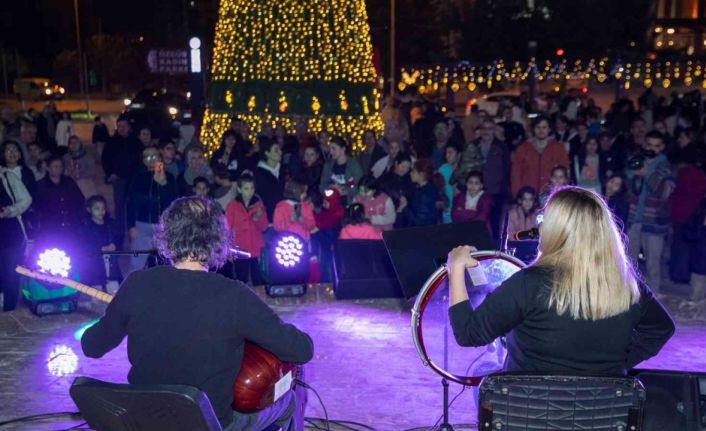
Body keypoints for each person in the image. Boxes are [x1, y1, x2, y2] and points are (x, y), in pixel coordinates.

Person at [81, 196, 314, 431]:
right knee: (290, 400)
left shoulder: (136, 284)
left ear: (167, 236)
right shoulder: (233, 295)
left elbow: (91, 346)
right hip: (208, 425)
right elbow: (302, 350)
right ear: (217, 240)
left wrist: (121, 311)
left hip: (143, 421)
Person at [446, 187, 674, 375]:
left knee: (484, 369)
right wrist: (619, 364)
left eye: (544, 218)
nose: (540, 224)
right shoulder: (626, 285)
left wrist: (455, 268)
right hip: (600, 414)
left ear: (557, 229)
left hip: (530, 412)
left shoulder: (529, 283)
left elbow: (468, 334)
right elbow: (662, 328)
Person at [626, 131, 675, 293]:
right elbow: (626, 185)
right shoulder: (638, 161)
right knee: (630, 261)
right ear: (644, 144)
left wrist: (647, 173)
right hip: (634, 219)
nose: (652, 149)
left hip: (654, 222)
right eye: (649, 145)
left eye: (656, 146)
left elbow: (665, 192)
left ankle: (654, 297)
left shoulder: (666, 167)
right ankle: (631, 295)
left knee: (653, 264)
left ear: (662, 147)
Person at [126, 146, 179, 273]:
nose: (151, 159)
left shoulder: (169, 177)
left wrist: (163, 184)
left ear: (159, 157)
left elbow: (173, 201)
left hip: (162, 226)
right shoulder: (138, 177)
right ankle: (133, 289)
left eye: (154, 156)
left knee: (165, 263)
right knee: (137, 263)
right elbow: (131, 202)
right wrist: (131, 225)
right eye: (147, 157)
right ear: (143, 160)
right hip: (142, 225)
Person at [511, 116, 570, 197]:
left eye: (544, 127)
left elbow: (566, 173)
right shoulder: (523, 149)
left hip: (551, 196)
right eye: (538, 127)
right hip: (528, 197)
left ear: (549, 129)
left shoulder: (558, 148)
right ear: (533, 129)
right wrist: (517, 195)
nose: (541, 130)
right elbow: (515, 174)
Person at [225, 174, 268, 285]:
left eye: (252, 188)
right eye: (246, 188)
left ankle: (260, 300)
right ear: (239, 189)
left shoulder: (258, 205)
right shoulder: (232, 206)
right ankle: (241, 300)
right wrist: (228, 249)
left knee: (258, 278)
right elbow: (227, 229)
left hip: (256, 248)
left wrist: (258, 218)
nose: (250, 191)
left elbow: (264, 227)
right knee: (241, 278)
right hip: (239, 249)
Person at [0, 166, 31, 311]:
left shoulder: (7, 176)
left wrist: (10, 210)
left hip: (9, 231)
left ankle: (9, 311)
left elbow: (26, 199)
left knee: (10, 273)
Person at [80, 195, 122, 289]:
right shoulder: (86, 227)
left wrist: (115, 245)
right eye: (97, 208)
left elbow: (118, 237)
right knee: (97, 292)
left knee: (114, 289)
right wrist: (99, 249)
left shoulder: (111, 223)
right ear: (89, 210)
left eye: (103, 208)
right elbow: (83, 245)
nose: (101, 211)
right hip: (94, 265)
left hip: (111, 264)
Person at [396, 159, 441, 227]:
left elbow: (420, 222)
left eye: (413, 171)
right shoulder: (420, 189)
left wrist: (405, 207)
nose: (411, 173)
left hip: (422, 234)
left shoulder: (426, 194)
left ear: (421, 174)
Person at [319, 137, 363, 202]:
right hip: (331, 202)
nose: (331, 152)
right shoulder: (328, 166)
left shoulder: (353, 166)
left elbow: (360, 186)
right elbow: (322, 186)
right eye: (330, 149)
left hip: (349, 201)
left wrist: (344, 191)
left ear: (343, 149)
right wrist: (331, 188)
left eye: (334, 149)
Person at [253, 138, 285, 222]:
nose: (280, 153)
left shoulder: (284, 170)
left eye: (280, 150)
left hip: (285, 215)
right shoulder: (259, 173)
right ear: (267, 153)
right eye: (276, 150)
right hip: (269, 218)